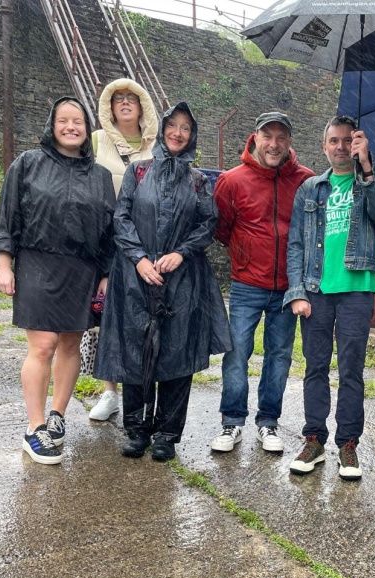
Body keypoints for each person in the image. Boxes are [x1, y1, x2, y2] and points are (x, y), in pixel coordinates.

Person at [93, 102, 231, 462]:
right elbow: (121, 219)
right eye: (173, 125)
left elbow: (206, 224)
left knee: (176, 352)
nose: (178, 133)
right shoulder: (138, 172)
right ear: (162, 129)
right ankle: (137, 429)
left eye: (186, 128)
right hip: (136, 275)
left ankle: (167, 433)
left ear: (191, 136)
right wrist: (139, 258)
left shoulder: (198, 180)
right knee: (135, 350)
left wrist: (181, 253)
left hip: (181, 277)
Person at [0, 97, 116, 465]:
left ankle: (58, 415)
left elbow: (109, 231)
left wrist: (106, 274)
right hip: (37, 262)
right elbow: (7, 215)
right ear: (53, 124)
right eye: (64, 120)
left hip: (83, 269)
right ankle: (35, 427)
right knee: (42, 346)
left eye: (78, 121)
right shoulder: (28, 163)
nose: (71, 127)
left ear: (86, 128)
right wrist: (4, 263)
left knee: (70, 345)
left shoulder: (101, 176)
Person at [283, 115, 375, 480]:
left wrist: (367, 167)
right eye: (335, 141)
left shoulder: (371, 182)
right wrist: (297, 291)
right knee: (315, 367)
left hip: (356, 291)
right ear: (324, 145)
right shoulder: (310, 188)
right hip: (316, 291)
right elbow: (297, 243)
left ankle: (348, 445)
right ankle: (314, 439)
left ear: (358, 144)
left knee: (351, 371)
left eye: (349, 140)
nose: (341, 147)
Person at [209, 111, 315, 454]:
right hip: (246, 284)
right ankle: (232, 421)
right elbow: (222, 229)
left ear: (289, 143)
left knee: (280, 355)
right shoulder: (232, 180)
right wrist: (245, 253)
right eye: (268, 136)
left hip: (289, 287)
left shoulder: (305, 180)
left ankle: (268, 422)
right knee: (237, 351)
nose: (274, 144)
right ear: (254, 137)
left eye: (281, 138)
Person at [85, 78, 159, 422]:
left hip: (146, 242)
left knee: (145, 317)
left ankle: (145, 388)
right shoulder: (98, 140)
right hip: (106, 238)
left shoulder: (157, 146)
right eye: (119, 99)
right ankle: (110, 391)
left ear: (143, 105)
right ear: (109, 107)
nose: (126, 103)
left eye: (132, 98)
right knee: (107, 316)